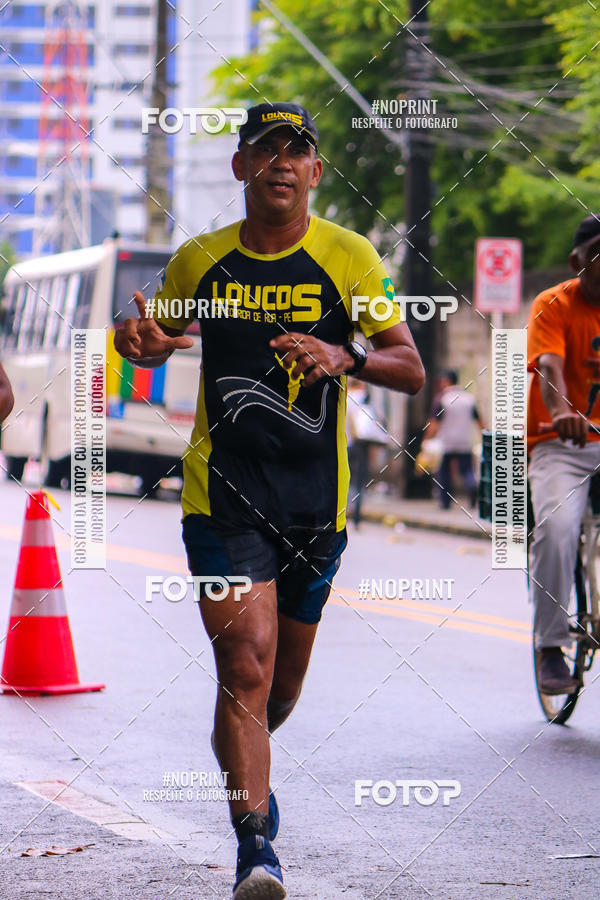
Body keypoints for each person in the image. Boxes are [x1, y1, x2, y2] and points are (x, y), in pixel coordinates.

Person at [114, 101, 425, 899]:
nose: (281, 163)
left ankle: (242, 762)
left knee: (278, 687)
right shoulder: (200, 260)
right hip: (223, 496)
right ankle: (256, 850)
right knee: (243, 662)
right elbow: (147, 333)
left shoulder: (350, 257)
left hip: (317, 505)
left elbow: (408, 366)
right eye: (265, 150)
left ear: (315, 172)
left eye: (296, 152)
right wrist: (135, 340)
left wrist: (341, 351)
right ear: (241, 168)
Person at [527, 214, 600, 695]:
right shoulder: (553, 304)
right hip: (562, 443)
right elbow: (549, 367)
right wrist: (562, 411)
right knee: (556, 528)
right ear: (579, 260)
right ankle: (551, 646)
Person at [425, 370, 482, 509]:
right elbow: (479, 421)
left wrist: (426, 439)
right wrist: (485, 436)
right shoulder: (469, 399)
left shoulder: (442, 399)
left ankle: (445, 502)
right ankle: (472, 486)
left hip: (446, 442)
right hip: (465, 441)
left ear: (446, 381)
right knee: (467, 470)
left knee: (444, 472)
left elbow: (434, 423)